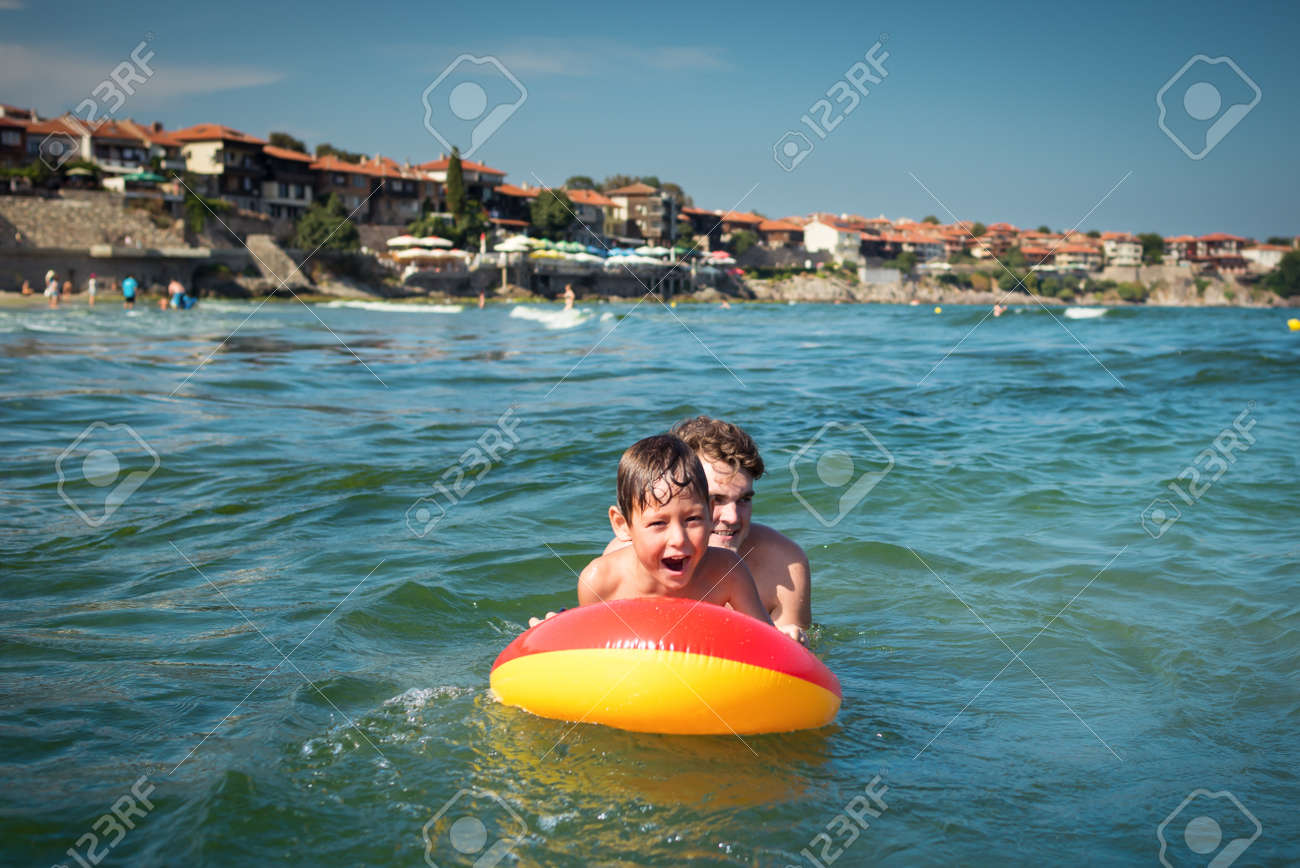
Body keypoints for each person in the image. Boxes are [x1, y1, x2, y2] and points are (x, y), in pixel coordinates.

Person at [605, 416, 812, 638]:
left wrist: (790, 639)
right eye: (717, 499)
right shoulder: (620, 565)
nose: (732, 517)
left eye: (744, 499)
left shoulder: (784, 565)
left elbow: (794, 663)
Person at [572, 434, 776, 630]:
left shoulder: (728, 572)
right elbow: (589, 650)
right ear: (622, 525)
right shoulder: (601, 581)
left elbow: (769, 642)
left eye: (692, 519)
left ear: (709, 511)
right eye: (659, 523)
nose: (679, 539)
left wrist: (789, 636)